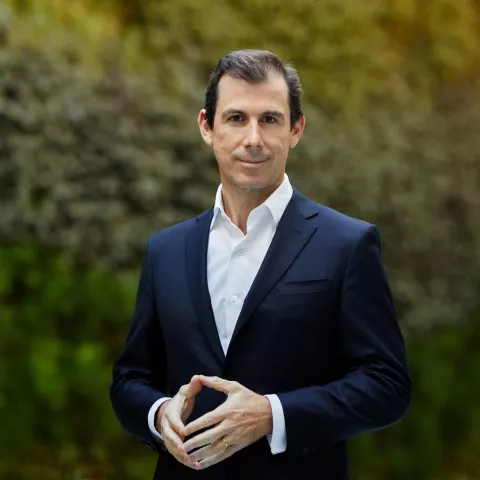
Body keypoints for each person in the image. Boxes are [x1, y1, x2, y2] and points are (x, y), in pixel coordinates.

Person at [110, 49, 411, 479]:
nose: (253, 138)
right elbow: (130, 380)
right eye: (236, 118)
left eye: (269, 119)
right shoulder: (166, 250)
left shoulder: (348, 244)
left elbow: (387, 385)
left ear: (296, 129)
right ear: (207, 127)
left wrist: (273, 414)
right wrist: (159, 414)